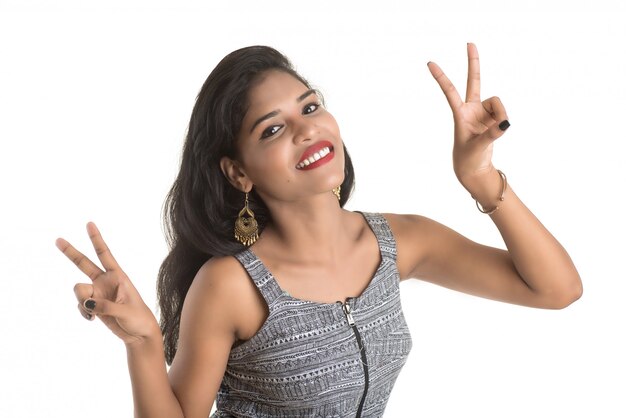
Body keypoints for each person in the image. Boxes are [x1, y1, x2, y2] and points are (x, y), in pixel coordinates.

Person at [56, 43, 582, 418]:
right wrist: (144, 343)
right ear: (239, 173)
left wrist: (480, 177)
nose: (308, 128)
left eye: (310, 106)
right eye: (273, 128)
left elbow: (557, 289)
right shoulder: (230, 285)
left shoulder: (399, 242)